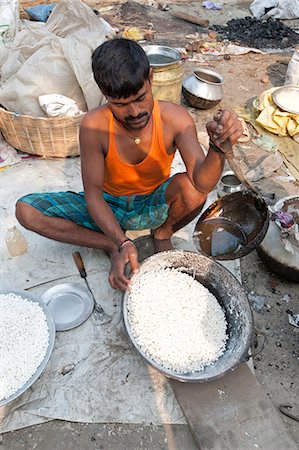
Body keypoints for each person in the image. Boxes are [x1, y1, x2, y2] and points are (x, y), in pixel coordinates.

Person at [16, 38, 243, 291]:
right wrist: (121, 242)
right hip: (109, 206)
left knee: (191, 189)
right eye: (121, 104)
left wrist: (218, 147)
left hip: (153, 203)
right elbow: (93, 197)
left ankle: (163, 233)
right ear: (105, 94)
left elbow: (204, 183)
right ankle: (109, 244)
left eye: (140, 97)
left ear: (150, 78)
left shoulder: (175, 118)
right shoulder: (94, 125)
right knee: (27, 211)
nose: (134, 112)